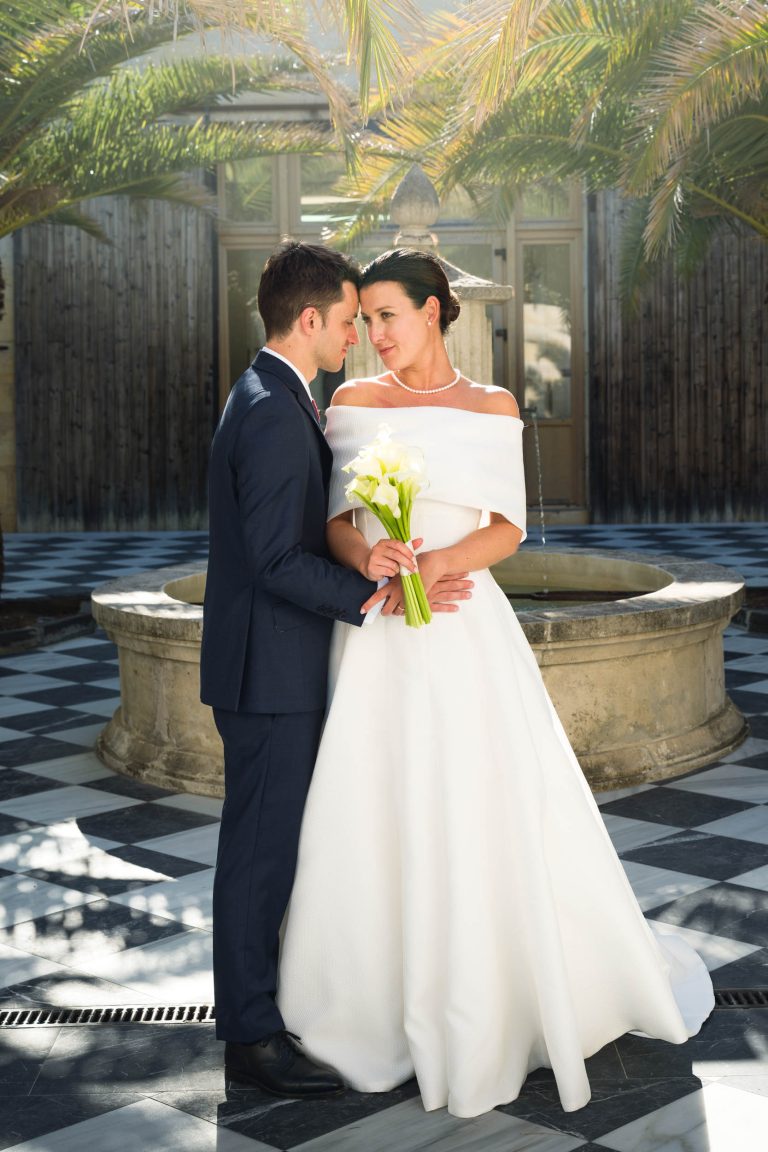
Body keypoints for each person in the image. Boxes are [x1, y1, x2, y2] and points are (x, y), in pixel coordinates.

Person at [276, 248, 715, 1117]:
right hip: (379, 636)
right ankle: (361, 1002)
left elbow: (508, 528)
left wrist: (434, 561)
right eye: (362, 321)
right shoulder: (352, 403)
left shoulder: (493, 405)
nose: (373, 336)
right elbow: (333, 521)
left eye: (388, 317)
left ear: (434, 312)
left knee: (485, 800)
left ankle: (501, 994)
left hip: (465, 628)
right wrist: (377, 558)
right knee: (373, 801)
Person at [201, 242, 473, 1099]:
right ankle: (252, 1038)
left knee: (266, 853)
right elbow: (280, 559)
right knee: (258, 859)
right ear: (310, 319)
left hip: (265, 669)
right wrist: (374, 592)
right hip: (268, 677)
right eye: (351, 321)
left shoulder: (271, 393)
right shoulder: (278, 412)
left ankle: (261, 1015)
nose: (357, 335)